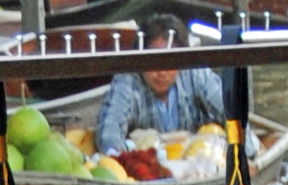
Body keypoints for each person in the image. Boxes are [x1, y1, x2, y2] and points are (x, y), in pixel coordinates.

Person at [93, 38, 228, 153]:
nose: (162, 72)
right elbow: (109, 132)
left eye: (170, 62)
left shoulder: (195, 73)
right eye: (153, 62)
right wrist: (122, 159)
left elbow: (231, 111)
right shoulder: (127, 82)